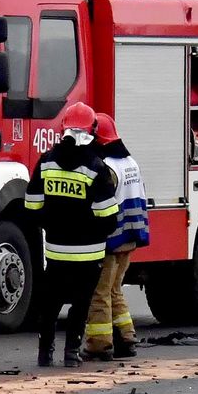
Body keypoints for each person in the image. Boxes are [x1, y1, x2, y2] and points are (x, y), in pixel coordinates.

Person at [25, 102, 119, 367]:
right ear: (91, 131)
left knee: (50, 303)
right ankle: (71, 354)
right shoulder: (96, 167)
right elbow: (108, 216)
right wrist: (94, 231)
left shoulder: (45, 162)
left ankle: (45, 354)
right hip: (89, 253)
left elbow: (32, 206)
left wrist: (51, 224)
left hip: (55, 249)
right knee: (80, 304)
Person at [84, 113, 149, 360]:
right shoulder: (129, 162)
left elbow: (103, 205)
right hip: (130, 237)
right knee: (114, 289)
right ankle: (126, 337)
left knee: (99, 292)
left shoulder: (107, 167)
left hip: (112, 238)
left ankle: (99, 344)